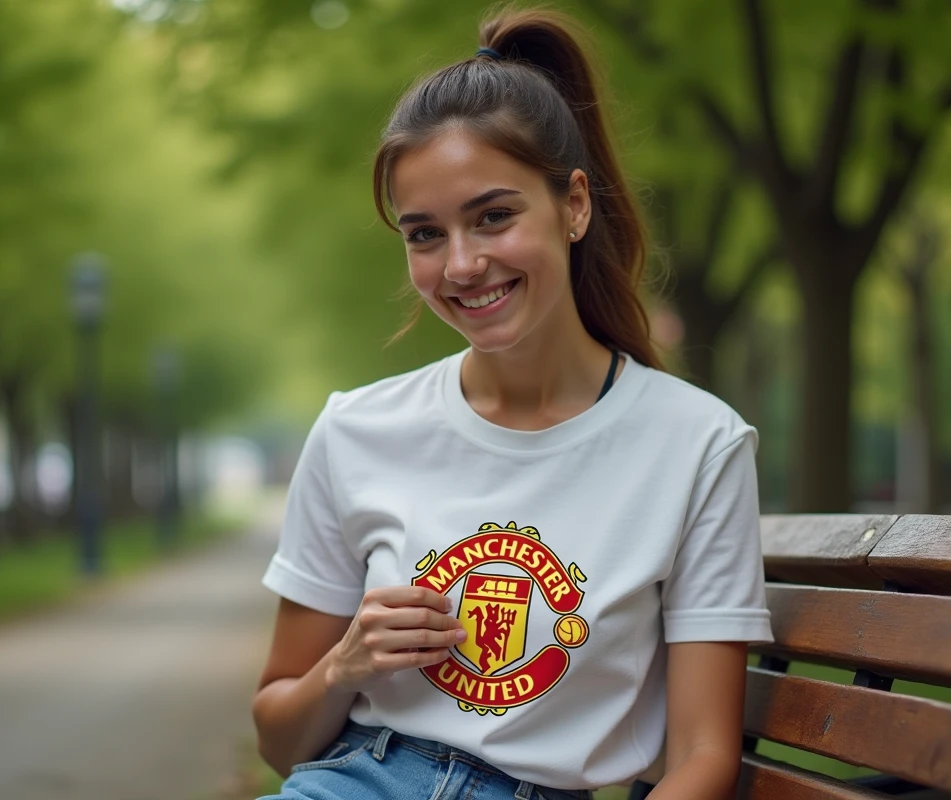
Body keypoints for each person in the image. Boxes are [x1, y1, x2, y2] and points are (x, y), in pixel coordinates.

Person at [252, 7, 773, 800]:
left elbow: (703, 754)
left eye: (493, 217)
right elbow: (279, 740)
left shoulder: (697, 445)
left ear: (573, 205)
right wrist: (345, 663)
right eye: (424, 234)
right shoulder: (356, 430)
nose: (461, 264)